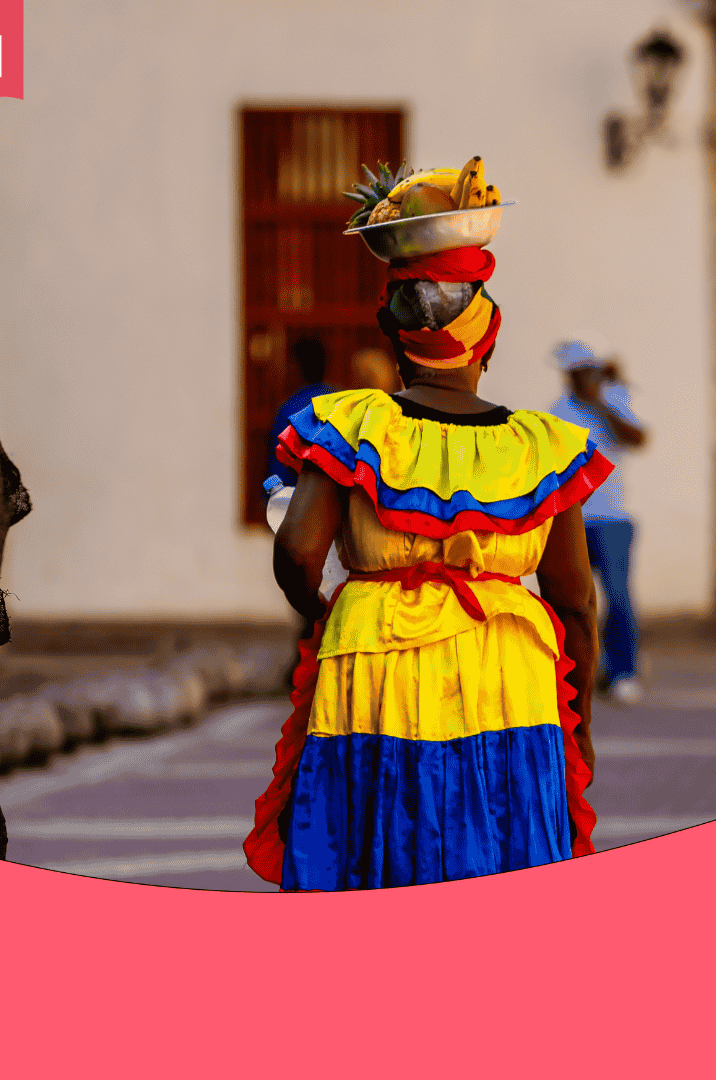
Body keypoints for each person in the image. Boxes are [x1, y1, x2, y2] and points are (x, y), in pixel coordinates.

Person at [244, 246, 612, 890]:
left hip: (374, 663)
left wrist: (322, 613)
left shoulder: (353, 424)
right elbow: (575, 602)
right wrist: (579, 728)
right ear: (488, 347)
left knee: (371, 844)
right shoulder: (544, 446)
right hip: (511, 678)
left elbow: (299, 553)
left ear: (392, 336)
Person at [547, 333, 649, 705]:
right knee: (573, 601)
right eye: (576, 374)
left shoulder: (614, 401)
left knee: (619, 597)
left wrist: (603, 405)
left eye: (587, 372)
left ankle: (623, 671)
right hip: (572, 518)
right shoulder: (556, 411)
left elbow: (638, 439)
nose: (582, 379)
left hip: (611, 519)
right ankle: (579, 673)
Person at [265, 338, 337, 489]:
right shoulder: (342, 404)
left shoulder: (290, 411)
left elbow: (280, 468)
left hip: (299, 500)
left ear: (296, 367)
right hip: (339, 503)